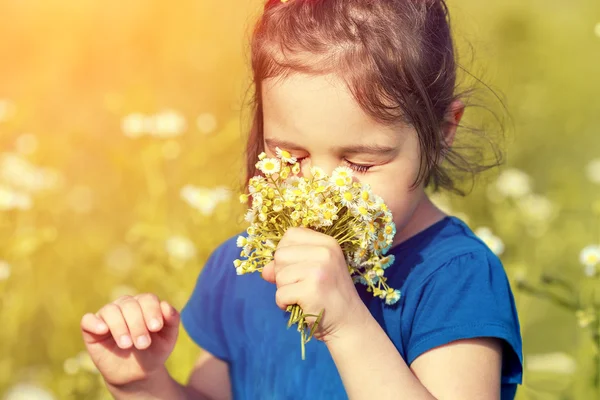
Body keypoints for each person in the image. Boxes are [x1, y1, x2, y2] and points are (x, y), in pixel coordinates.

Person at [80, 0, 523, 398]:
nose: (321, 188)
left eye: (361, 163)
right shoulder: (245, 268)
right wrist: (142, 384)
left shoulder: (454, 278)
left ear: (443, 130)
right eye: (291, 156)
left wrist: (346, 323)